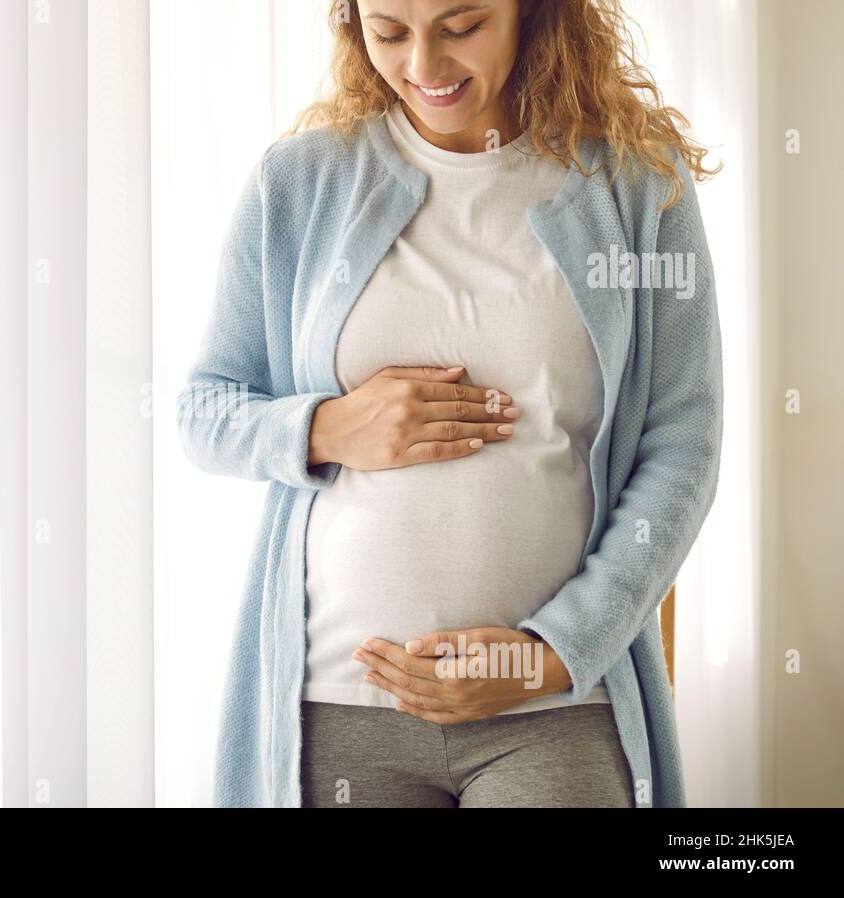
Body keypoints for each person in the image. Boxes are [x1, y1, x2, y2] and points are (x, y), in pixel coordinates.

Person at [176, 0, 723, 807]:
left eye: (460, 26)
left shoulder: (634, 186)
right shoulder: (301, 184)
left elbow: (684, 442)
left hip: (552, 704)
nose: (424, 67)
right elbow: (203, 411)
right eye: (389, 32)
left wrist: (556, 652)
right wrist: (329, 426)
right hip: (338, 701)